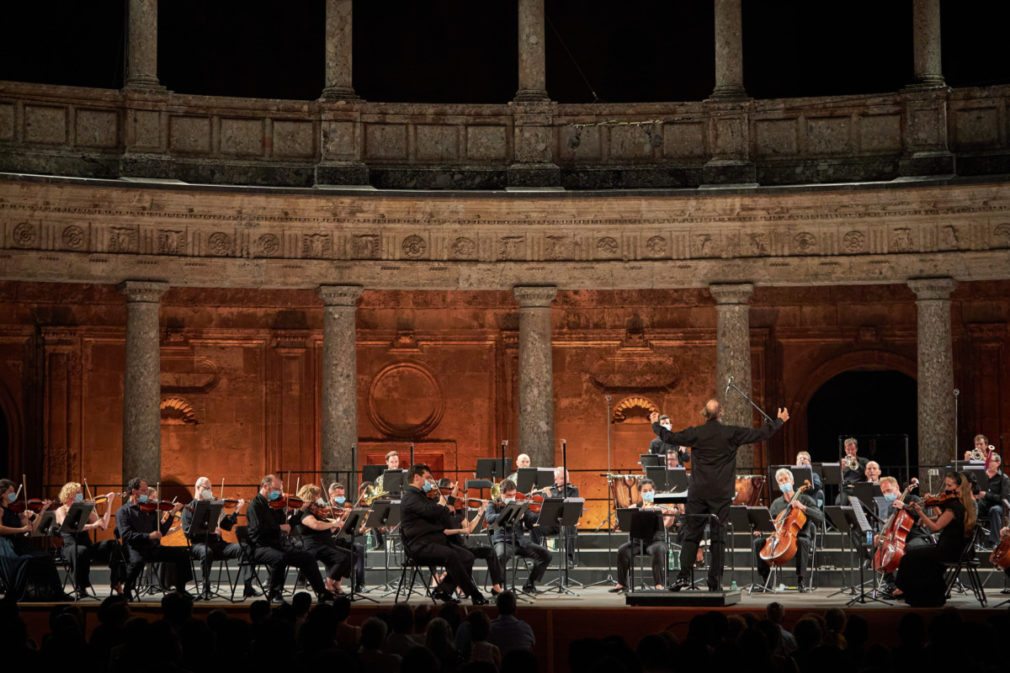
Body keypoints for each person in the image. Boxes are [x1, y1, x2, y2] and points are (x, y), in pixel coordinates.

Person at [650, 399, 788, 591]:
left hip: (698, 492)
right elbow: (760, 434)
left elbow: (669, 437)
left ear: (704, 414)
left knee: (691, 536)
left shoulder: (696, 433)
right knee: (718, 537)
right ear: (721, 413)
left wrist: (656, 424)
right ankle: (714, 582)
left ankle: (682, 577)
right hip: (721, 494)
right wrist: (778, 421)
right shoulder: (731, 432)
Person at [400, 463, 487, 605]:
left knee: (468, 556)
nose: (429, 482)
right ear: (416, 477)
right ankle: (473, 593)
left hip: (433, 541)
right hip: (419, 545)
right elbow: (431, 512)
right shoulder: (410, 497)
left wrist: (449, 503)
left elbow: (441, 516)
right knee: (451, 555)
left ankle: (443, 590)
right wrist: (443, 504)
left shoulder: (422, 496)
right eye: (427, 478)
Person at [245, 474, 333, 603]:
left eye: (280, 489)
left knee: (307, 557)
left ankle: (321, 592)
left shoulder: (275, 505)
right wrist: (279, 527)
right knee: (279, 558)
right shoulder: (255, 506)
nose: (280, 493)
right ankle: (274, 593)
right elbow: (258, 531)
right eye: (277, 489)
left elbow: (288, 526)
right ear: (265, 486)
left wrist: (300, 510)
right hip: (259, 546)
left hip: (277, 544)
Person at [893, 471, 976, 607]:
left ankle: (907, 590)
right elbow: (943, 519)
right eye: (946, 485)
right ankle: (924, 594)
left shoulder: (954, 507)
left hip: (950, 550)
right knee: (917, 554)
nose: (946, 489)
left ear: (959, 487)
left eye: (949, 486)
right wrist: (935, 507)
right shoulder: (962, 504)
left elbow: (935, 527)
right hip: (956, 548)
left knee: (910, 556)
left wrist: (920, 512)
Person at [115, 477, 193, 598]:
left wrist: (171, 514)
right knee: (137, 562)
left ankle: (181, 589)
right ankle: (127, 589)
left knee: (182, 552)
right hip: (135, 548)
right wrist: (149, 535)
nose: (147, 494)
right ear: (134, 491)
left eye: (146, 491)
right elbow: (126, 536)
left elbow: (161, 530)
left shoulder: (150, 510)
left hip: (152, 548)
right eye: (144, 491)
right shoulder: (123, 511)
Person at [183, 477, 257, 599]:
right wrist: (209, 530)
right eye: (207, 488)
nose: (210, 491)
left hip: (219, 545)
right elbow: (188, 533)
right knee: (206, 551)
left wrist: (237, 510)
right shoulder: (188, 508)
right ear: (197, 488)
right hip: (199, 545)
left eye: (211, 489)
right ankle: (206, 588)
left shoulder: (215, 506)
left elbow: (226, 526)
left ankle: (248, 587)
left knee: (244, 547)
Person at [752, 468, 823, 592]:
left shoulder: (805, 499)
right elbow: (771, 521)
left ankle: (801, 581)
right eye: (781, 481)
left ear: (792, 481)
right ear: (779, 485)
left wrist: (803, 508)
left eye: (786, 479)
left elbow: (820, 517)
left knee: (802, 542)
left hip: (800, 536)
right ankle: (766, 580)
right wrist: (761, 528)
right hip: (781, 536)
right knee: (758, 543)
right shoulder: (776, 503)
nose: (784, 482)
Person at [0, 477, 70, 600]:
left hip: (19, 545)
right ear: (2, 494)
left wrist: (42, 511)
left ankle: (56, 594)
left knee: (46, 558)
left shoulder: (16, 510)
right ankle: (22, 594)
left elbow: (32, 529)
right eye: (10, 491)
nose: (13, 494)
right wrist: (21, 530)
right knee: (27, 560)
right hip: (6, 547)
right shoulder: (0, 510)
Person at [54, 482, 125, 597]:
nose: (80, 495)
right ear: (68, 495)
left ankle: (116, 581)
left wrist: (109, 503)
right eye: (77, 493)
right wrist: (92, 526)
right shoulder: (61, 510)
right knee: (81, 551)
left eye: (80, 493)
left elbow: (103, 525)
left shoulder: (85, 509)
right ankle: (81, 587)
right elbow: (67, 525)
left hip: (87, 546)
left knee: (113, 544)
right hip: (71, 547)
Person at [485, 479, 551, 595]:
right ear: (501, 493)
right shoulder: (493, 504)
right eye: (509, 495)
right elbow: (490, 518)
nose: (512, 497)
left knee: (546, 555)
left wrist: (540, 513)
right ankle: (498, 588)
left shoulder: (520, 503)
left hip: (520, 541)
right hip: (503, 541)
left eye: (514, 495)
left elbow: (530, 521)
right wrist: (510, 513)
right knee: (500, 556)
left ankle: (529, 585)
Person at [611, 478, 675, 592]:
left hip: (656, 541)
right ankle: (622, 583)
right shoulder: (635, 507)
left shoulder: (661, 507)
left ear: (654, 491)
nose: (648, 492)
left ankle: (659, 584)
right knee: (622, 550)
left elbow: (666, 524)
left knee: (659, 550)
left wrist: (671, 516)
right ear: (640, 492)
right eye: (645, 491)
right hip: (637, 542)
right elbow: (626, 524)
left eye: (650, 490)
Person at [292, 484, 354, 595]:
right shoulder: (304, 513)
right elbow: (316, 525)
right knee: (342, 558)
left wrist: (341, 520)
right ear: (311, 497)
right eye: (318, 496)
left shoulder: (317, 512)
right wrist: (333, 523)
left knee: (351, 555)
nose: (320, 498)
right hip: (315, 546)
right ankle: (329, 584)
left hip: (325, 544)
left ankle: (334, 584)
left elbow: (329, 530)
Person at [874, 476, 929, 597]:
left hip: (916, 536)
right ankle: (890, 585)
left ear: (897, 488)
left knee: (911, 549)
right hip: (896, 538)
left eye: (888, 490)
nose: (886, 494)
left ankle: (907, 586)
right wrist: (880, 535)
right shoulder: (890, 506)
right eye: (883, 492)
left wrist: (904, 505)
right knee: (881, 548)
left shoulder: (912, 498)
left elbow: (922, 515)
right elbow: (889, 527)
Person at [532, 466, 579, 565]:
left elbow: (566, 509)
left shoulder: (573, 490)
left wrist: (550, 497)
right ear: (555, 479)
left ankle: (569, 559)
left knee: (570, 525)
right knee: (535, 527)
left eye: (567, 477)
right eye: (562, 478)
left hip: (565, 523)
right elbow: (546, 511)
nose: (566, 480)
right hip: (552, 525)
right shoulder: (550, 490)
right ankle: (537, 557)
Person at [328, 481, 366, 588]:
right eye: (338, 495)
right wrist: (344, 517)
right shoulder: (325, 509)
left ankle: (360, 584)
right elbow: (330, 529)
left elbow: (350, 530)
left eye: (343, 495)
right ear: (331, 495)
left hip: (342, 540)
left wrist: (360, 528)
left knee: (359, 548)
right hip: (330, 541)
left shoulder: (344, 507)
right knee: (348, 553)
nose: (342, 498)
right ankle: (334, 583)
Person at [975, 453, 1010, 548]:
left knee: (994, 510)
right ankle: (972, 540)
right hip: (983, 504)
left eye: (990, 461)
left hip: (998, 506)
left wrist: (987, 495)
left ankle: (995, 542)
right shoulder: (983, 477)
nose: (988, 463)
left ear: (998, 463)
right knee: (971, 507)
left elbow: (1004, 499)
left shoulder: (1003, 478)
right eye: (987, 461)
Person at [487, 590, 535, 655]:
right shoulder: (525, 628)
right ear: (515, 608)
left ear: (497, 608)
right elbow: (531, 650)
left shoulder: (488, 629)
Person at [837, 437, 869, 504]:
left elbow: (866, 474)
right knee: (839, 503)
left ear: (856, 449)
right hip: (846, 489)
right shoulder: (841, 462)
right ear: (845, 449)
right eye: (848, 450)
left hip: (860, 489)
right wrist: (840, 470)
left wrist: (857, 464)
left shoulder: (864, 461)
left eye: (852, 449)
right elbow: (835, 478)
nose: (850, 452)